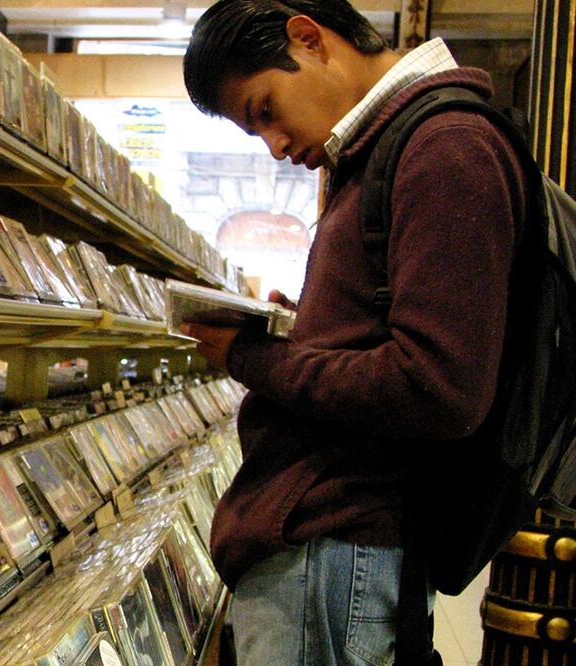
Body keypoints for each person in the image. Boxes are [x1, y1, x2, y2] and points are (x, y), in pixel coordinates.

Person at [181, 1, 527, 663]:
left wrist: (251, 356)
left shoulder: (445, 147)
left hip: (335, 555)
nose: (278, 146)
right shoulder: (391, 149)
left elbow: (436, 386)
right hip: (327, 557)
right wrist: (299, 328)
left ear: (308, 39)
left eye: (265, 111)